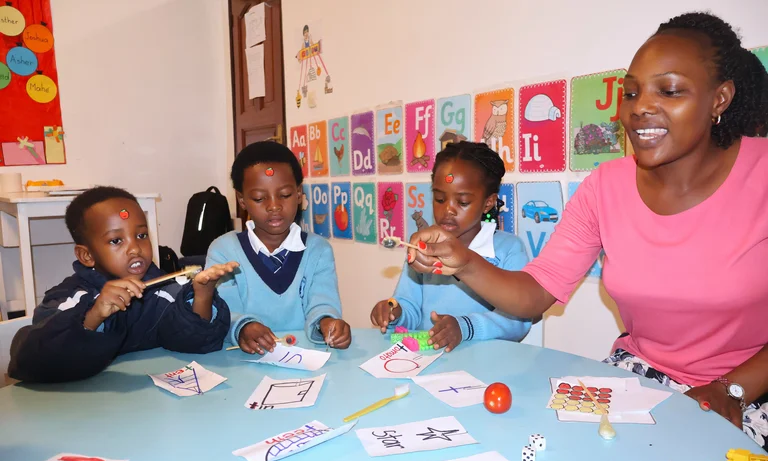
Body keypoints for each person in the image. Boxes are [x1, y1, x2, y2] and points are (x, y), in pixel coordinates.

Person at [406, 12, 768, 451]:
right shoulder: (605, 186)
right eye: (631, 92)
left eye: (668, 90)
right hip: (640, 378)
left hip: (747, 390)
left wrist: (731, 389)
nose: (640, 108)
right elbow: (534, 292)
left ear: (720, 98)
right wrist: (463, 260)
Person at [9, 187, 237, 383]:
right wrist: (93, 316)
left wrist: (203, 295)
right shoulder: (69, 297)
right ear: (86, 255)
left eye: (141, 235)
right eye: (116, 240)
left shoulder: (163, 291)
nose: (135, 249)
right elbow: (30, 360)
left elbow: (192, 341)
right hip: (78, 411)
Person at [370, 142, 530, 351]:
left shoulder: (508, 250)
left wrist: (464, 327)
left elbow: (517, 321)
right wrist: (393, 312)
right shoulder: (423, 248)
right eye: (439, 198)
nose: (448, 210)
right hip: (428, 362)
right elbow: (409, 308)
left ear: (488, 203)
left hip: (486, 366)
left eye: (462, 202)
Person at [207, 141, 351, 354]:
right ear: (242, 200)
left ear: (299, 193)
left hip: (305, 360)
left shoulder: (318, 250)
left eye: (284, 195)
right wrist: (244, 326)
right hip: (242, 363)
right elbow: (222, 310)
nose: (274, 206)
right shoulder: (224, 250)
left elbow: (322, 300)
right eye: (259, 198)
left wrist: (328, 322)